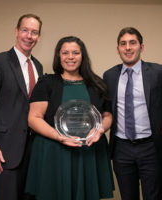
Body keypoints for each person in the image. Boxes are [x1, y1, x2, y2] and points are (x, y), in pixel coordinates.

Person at [103, 27, 162, 200]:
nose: (128, 47)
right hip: (121, 149)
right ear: (118, 49)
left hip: (152, 148)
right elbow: (105, 110)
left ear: (141, 47)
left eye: (132, 43)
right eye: (123, 44)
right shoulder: (109, 76)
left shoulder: (159, 72)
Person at [24, 36, 114, 200]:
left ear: (83, 56)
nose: (70, 57)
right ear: (59, 56)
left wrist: (100, 130)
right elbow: (34, 118)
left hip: (88, 152)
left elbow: (107, 115)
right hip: (54, 152)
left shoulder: (97, 84)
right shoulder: (46, 82)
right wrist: (59, 137)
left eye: (75, 53)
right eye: (65, 53)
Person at [0, 14, 43, 200]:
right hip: (5, 152)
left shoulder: (37, 66)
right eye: (25, 30)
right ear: (16, 31)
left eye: (34, 32)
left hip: (32, 153)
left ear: (38, 37)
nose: (29, 36)